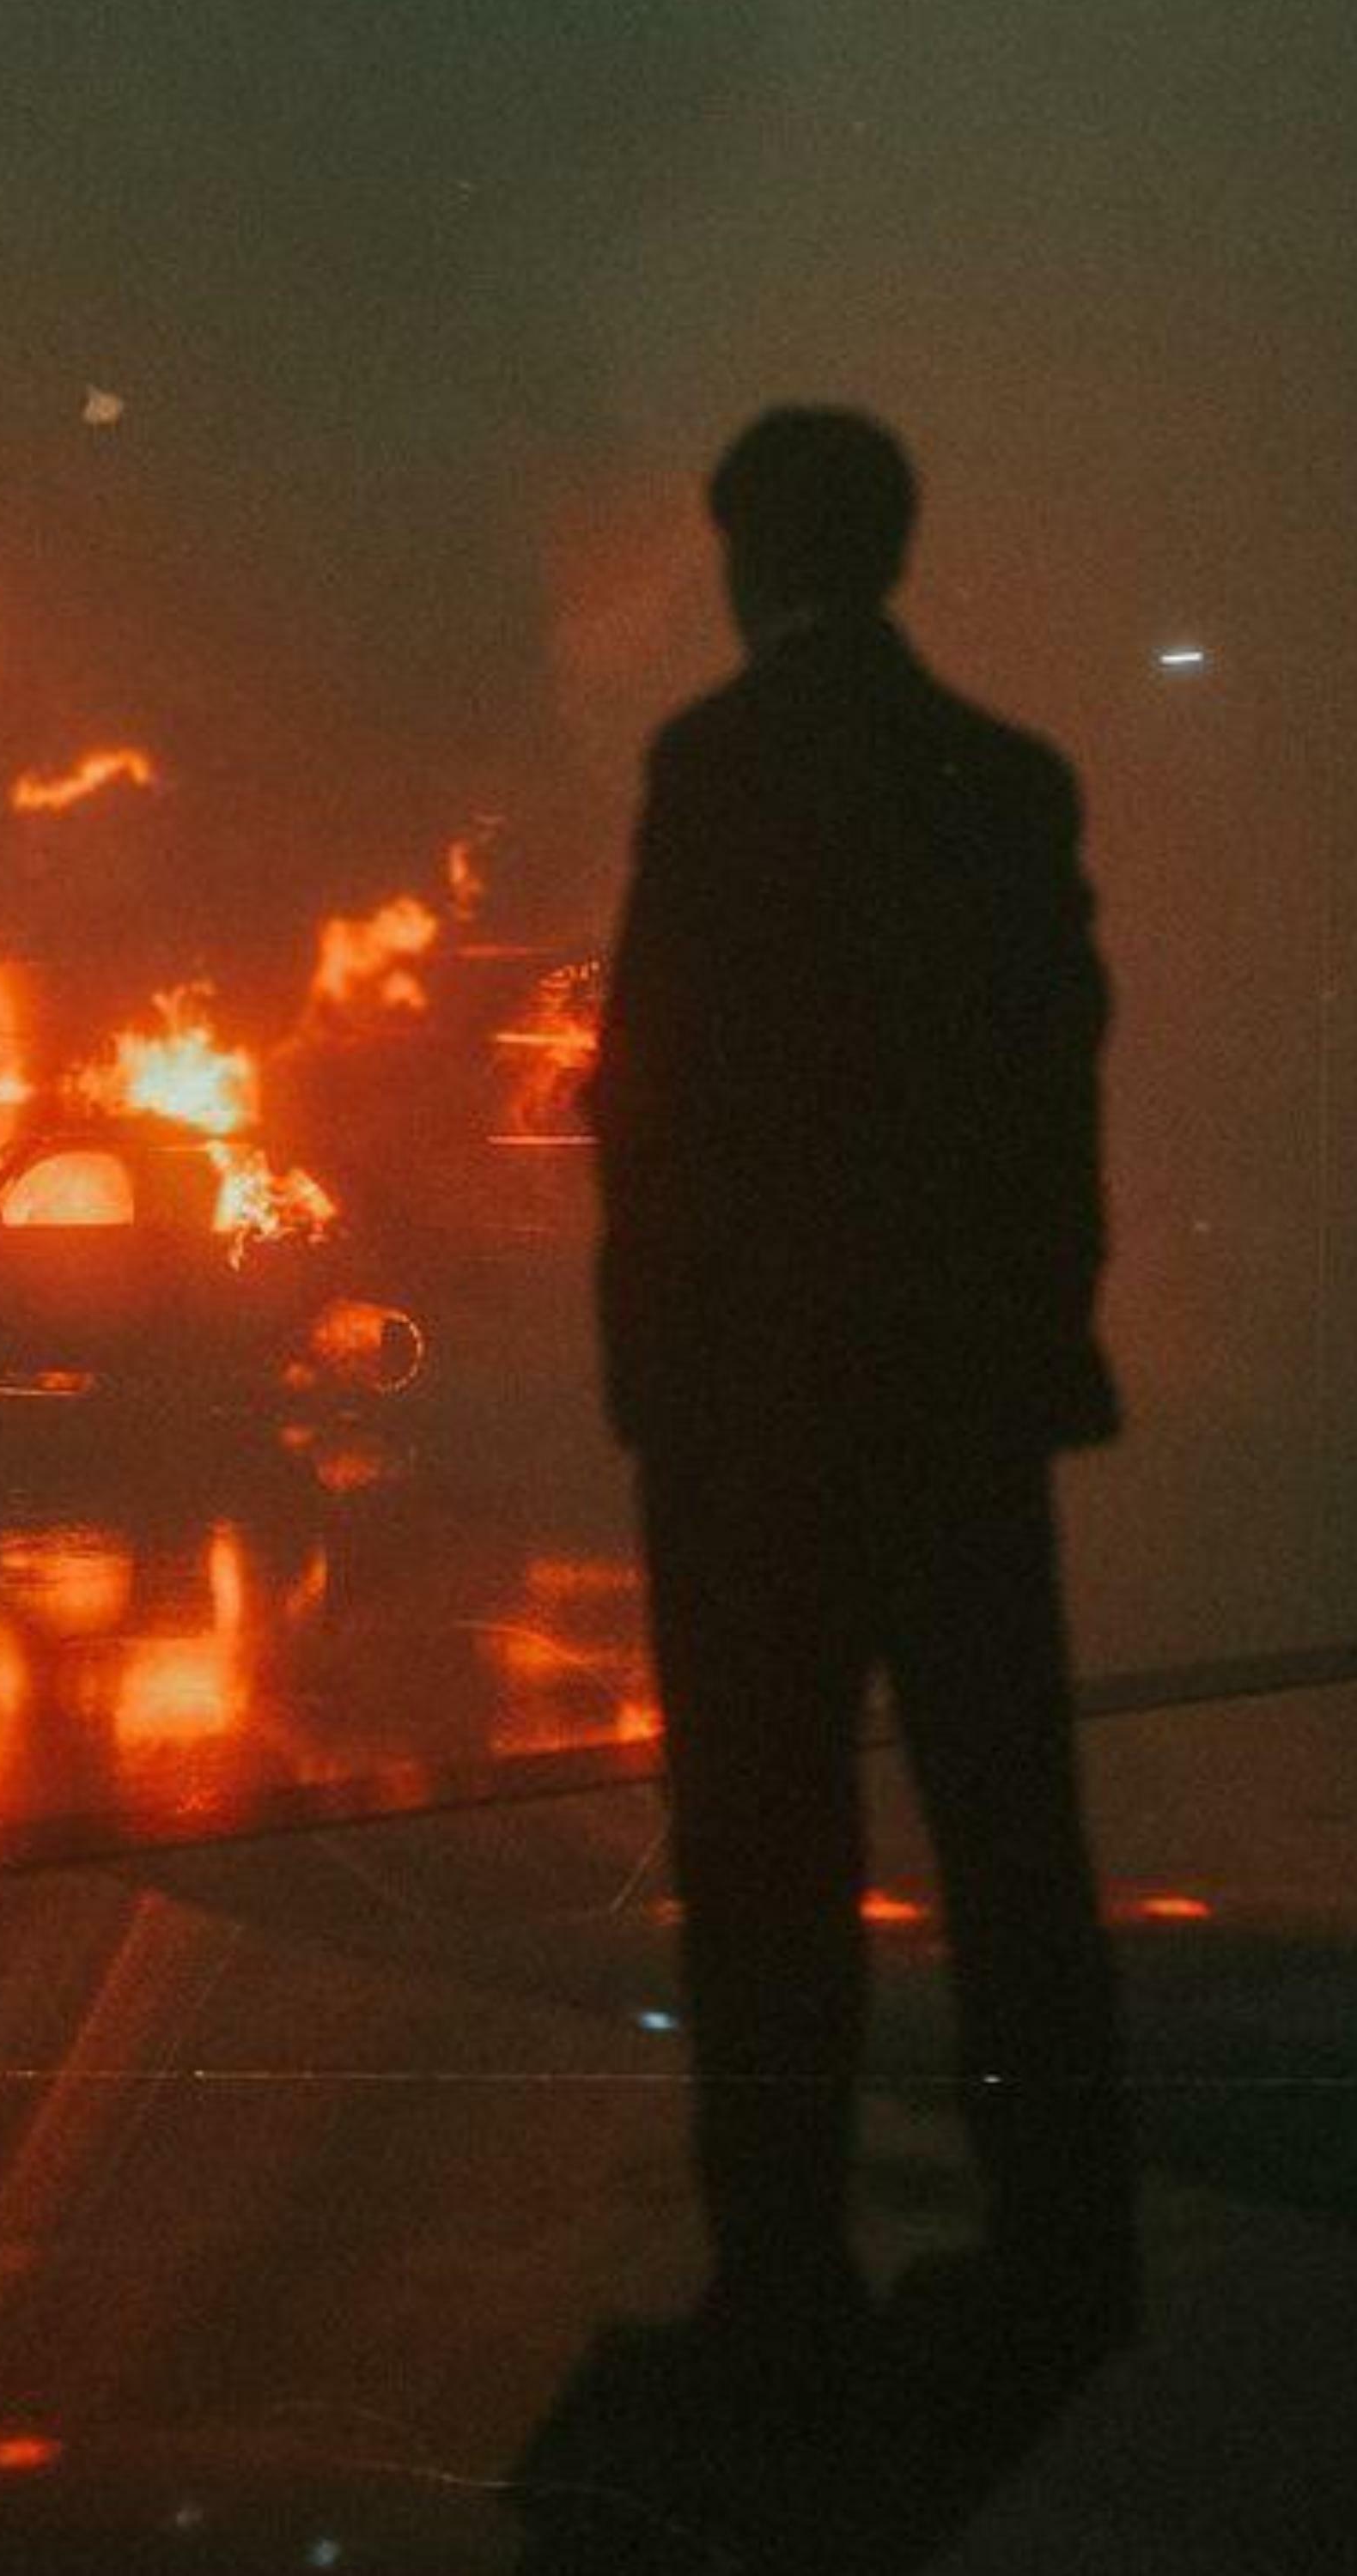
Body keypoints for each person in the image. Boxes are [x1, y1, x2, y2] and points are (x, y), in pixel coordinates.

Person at [590, 407, 1137, 2394]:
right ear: (894, 552)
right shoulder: (1010, 780)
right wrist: (1040, 1337)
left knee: (765, 1851)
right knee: (1011, 1837)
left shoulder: (717, 770)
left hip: (758, 1420)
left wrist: (652, 1370)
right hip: (964, 1405)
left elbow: (655, 1092)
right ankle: (1064, 2249)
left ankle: (783, 2278)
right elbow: (1054, 1094)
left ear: (750, 558)